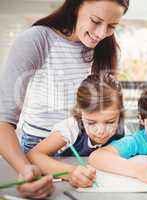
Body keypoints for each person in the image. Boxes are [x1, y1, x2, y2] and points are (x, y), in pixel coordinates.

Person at [0, 0, 129, 198]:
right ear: (76, 5)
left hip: (83, 146)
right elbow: (3, 121)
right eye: (96, 20)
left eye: (112, 26)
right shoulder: (37, 39)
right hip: (39, 149)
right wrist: (25, 170)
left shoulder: (105, 47)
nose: (102, 33)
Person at [27, 73, 125, 188]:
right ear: (80, 112)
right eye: (91, 123)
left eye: (110, 122)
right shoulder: (71, 128)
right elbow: (33, 155)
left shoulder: (124, 132)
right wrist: (70, 172)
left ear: (120, 113)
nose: (101, 131)